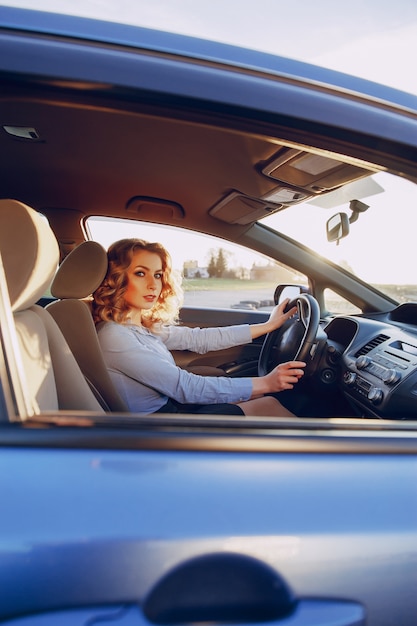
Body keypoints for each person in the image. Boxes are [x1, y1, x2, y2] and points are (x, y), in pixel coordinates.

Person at [92, 238, 306, 417]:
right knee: (268, 406)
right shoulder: (115, 336)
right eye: (140, 273)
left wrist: (267, 326)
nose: (153, 284)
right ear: (116, 278)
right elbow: (185, 387)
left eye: (157, 274)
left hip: (171, 409)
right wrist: (267, 383)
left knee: (259, 396)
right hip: (158, 428)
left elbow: (199, 339)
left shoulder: (139, 326)